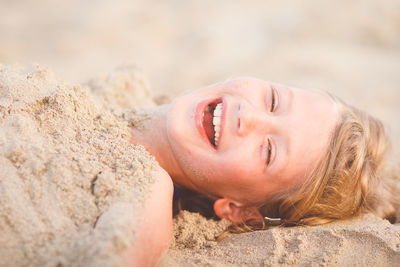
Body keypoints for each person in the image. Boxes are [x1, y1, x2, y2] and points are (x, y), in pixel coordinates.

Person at [130, 77, 398, 263]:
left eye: (269, 151)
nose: (247, 116)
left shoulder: (147, 197)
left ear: (240, 210)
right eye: (273, 100)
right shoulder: (128, 88)